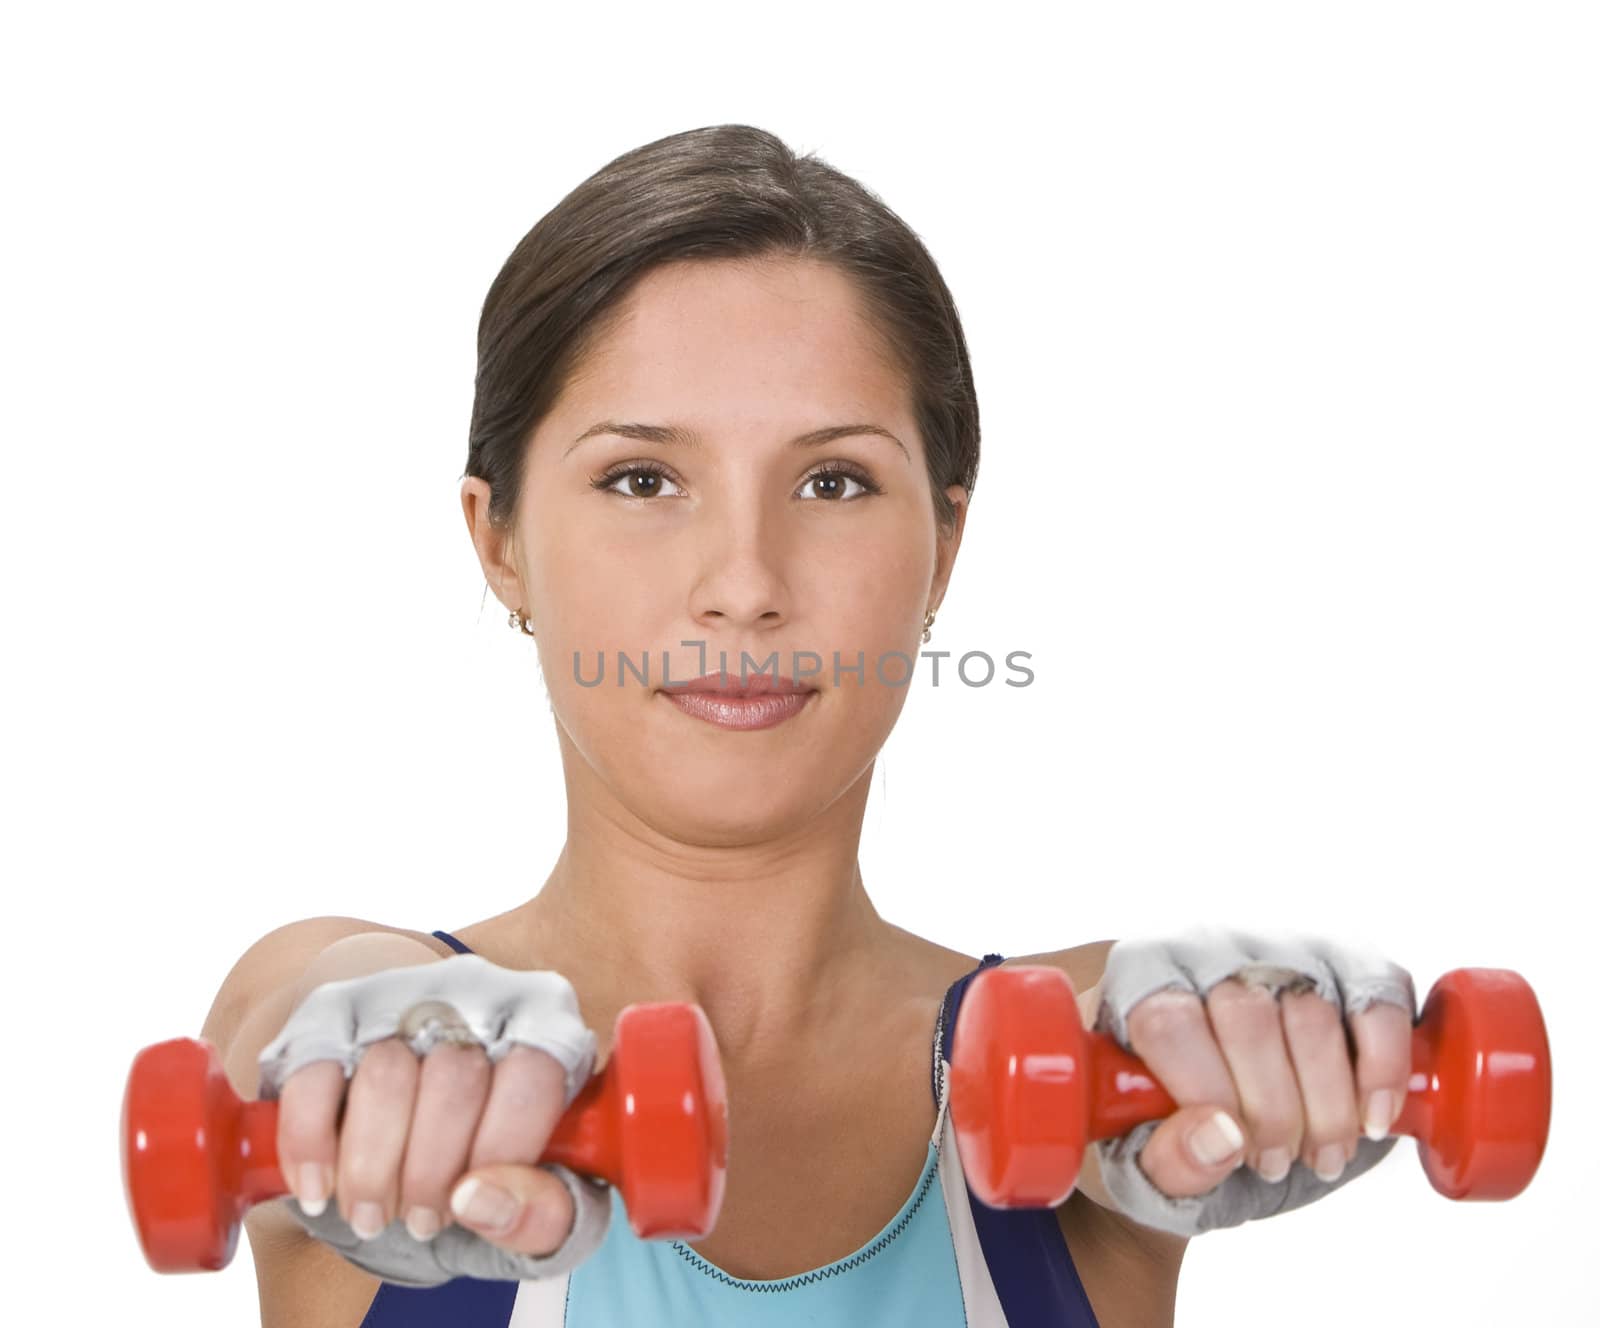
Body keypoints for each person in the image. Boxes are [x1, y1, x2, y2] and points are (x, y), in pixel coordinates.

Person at [200, 124, 1414, 1328]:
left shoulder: (1085, 1053)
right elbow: (306, 1000)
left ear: (943, 544)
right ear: (499, 539)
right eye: (641, 479)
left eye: (832, 481)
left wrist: (1277, 1026)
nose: (745, 581)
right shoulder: (355, 1030)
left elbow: (1133, 1017)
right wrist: (379, 1049)